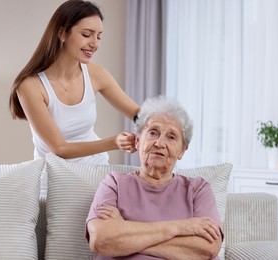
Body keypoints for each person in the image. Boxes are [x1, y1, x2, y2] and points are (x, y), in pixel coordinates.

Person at [86, 96, 223, 260]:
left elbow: (207, 248)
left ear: (182, 151)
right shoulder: (114, 183)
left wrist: (124, 230)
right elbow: (100, 240)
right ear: (137, 141)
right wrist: (180, 227)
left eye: (171, 137)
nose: (159, 143)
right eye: (153, 133)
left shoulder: (198, 189)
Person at [9, 0, 139, 166]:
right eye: (86, 34)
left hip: (96, 167)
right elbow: (60, 148)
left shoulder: (96, 74)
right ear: (62, 33)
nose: (95, 44)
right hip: (54, 173)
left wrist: (169, 125)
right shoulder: (30, 86)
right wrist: (114, 142)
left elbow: (137, 113)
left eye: (98, 36)